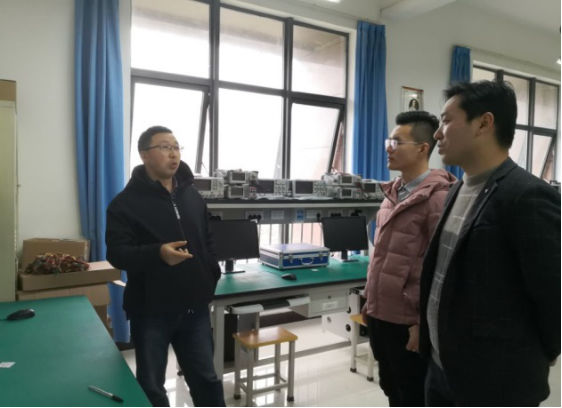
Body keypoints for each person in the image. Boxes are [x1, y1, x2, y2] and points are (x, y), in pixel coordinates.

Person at [420, 81, 561, 407]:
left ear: (484, 123)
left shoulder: (528, 195)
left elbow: (554, 295)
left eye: (446, 121)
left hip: (497, 381)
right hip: (440, 369)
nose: (437, 134)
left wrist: (534, 355)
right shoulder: (456, 190)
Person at [106, 126, 225, 407]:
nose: (173, 153)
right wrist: (158, 253)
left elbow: (207, 238)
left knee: (206, 380)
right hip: (151, 311)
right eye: (164, 147)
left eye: (176, 147)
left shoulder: (192, 195)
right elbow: (117, 254)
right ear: (144, 155)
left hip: (194, 308)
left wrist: (211, 268)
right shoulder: (124, 204)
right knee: (152, 386)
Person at [362, 111, 456, 407]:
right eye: (388, 141)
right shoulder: (391, 195)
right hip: (380, 314)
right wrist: (369, 303)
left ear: (422, 148)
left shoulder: (439, 198)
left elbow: (440, 269)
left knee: (412, 394)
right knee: (391, 387)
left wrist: (420, 323)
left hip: (408, 323)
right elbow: (383, 257)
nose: (388, 148)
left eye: (396, 142)